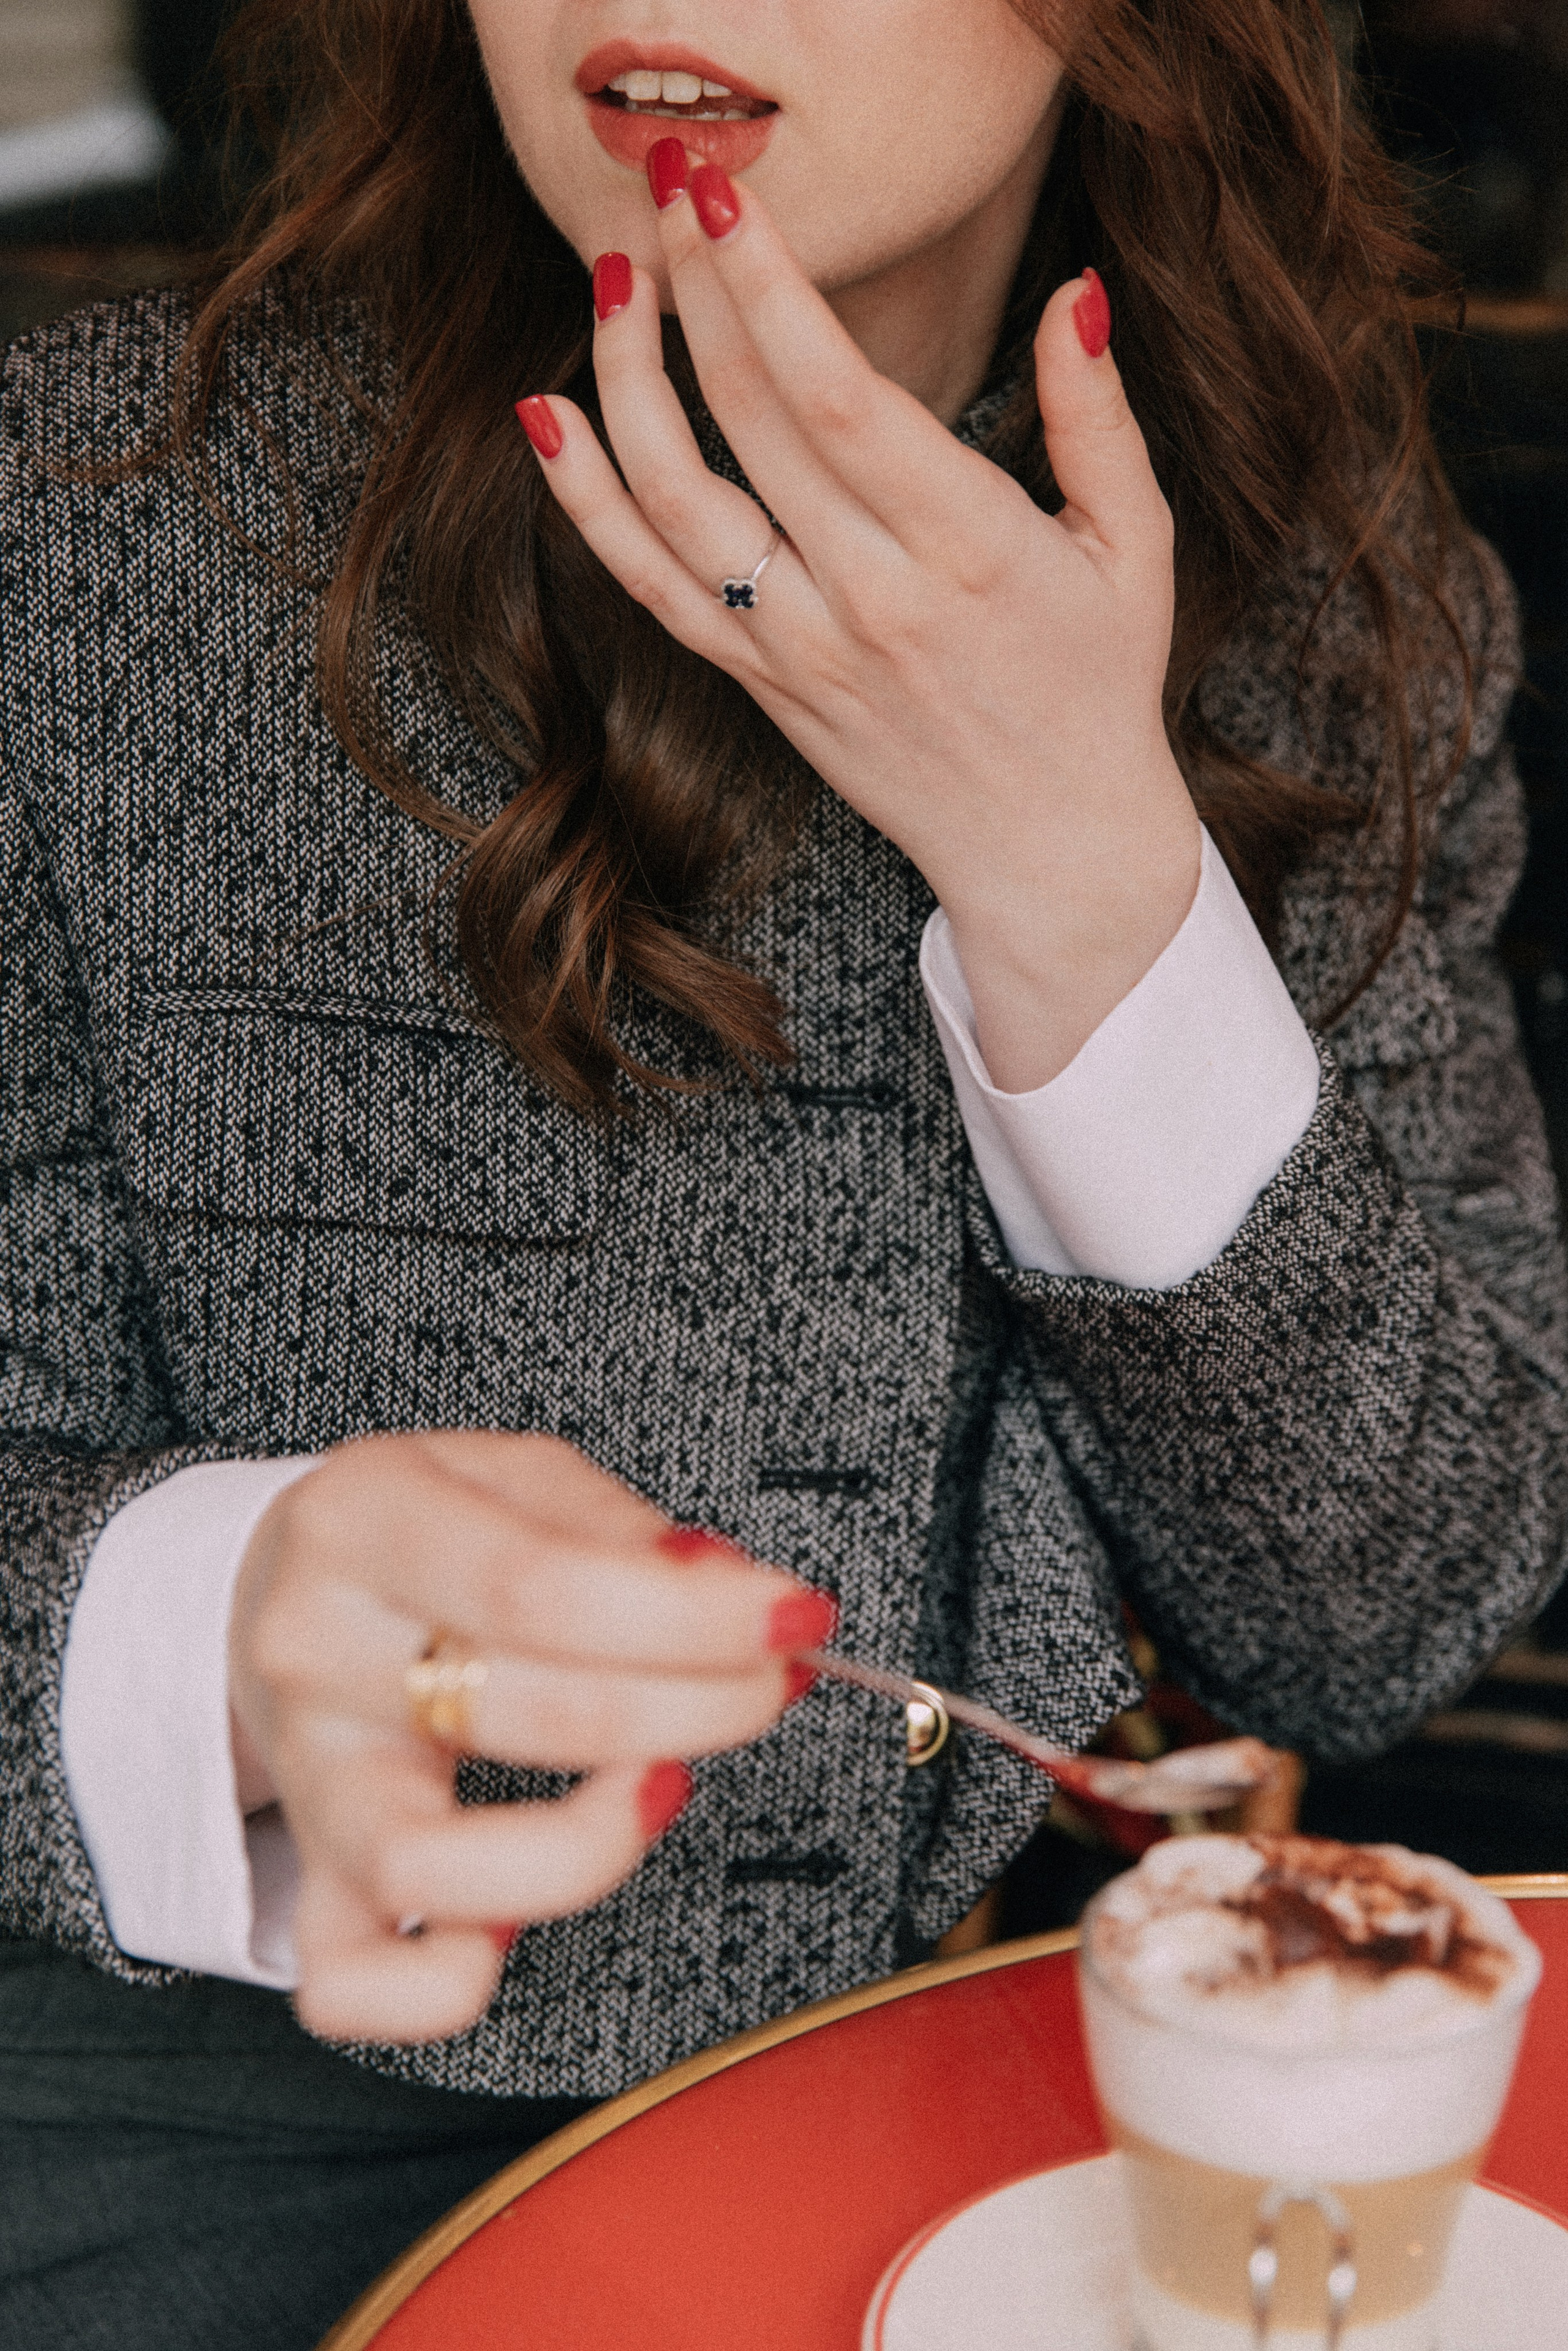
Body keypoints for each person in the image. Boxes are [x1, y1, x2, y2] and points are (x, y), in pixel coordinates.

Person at [2, 0, 1564, 2343]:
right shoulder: (69, 535)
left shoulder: (1348, 602)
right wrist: (187, 1637)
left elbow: (1391, 1612)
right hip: (185, 2162)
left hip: (1009, 2128)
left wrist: (1093, 879)